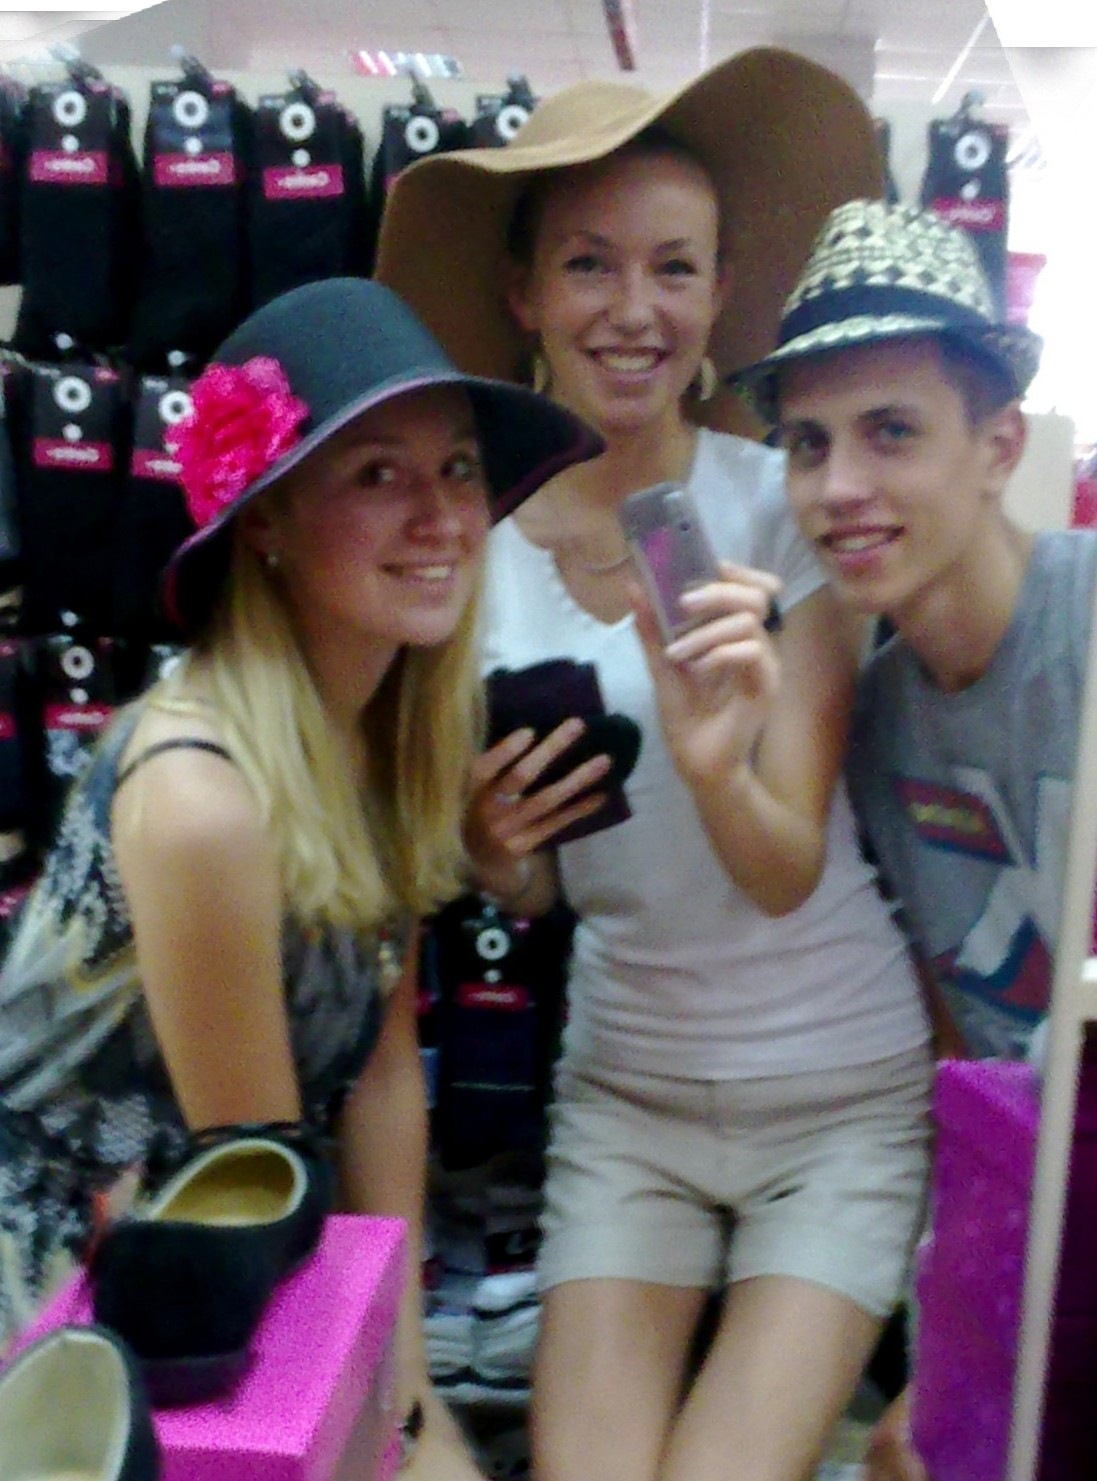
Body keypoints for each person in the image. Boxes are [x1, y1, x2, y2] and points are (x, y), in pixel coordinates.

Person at [378, 50, 934, 1481]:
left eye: (673, 267)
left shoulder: (783, 509)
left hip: (835, 1092)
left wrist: (709, 755)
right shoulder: (472, 558)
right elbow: (550, 888)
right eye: (589, 264)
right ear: (524, 293)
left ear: (719, 289)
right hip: (627, 1089)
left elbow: (782, 864)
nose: (634, 310)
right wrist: (496, 854)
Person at [0, 276, 600, 1476]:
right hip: (76, 1309)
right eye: (376, 473)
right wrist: (395, 1425)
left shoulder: (381, 743)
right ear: (265, 520)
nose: (441, 516)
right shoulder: (201, 801)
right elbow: (252, 1188)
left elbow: (380, 1075)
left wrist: (410, 1375)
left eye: (458, 467)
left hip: (204, 1278)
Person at [733, 198, 1097, 1480]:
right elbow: (957, 1030)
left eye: (889, 431)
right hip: (1028, 1194)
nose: (838, 488)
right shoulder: (868, 716)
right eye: (806, 442)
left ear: (996, 445)